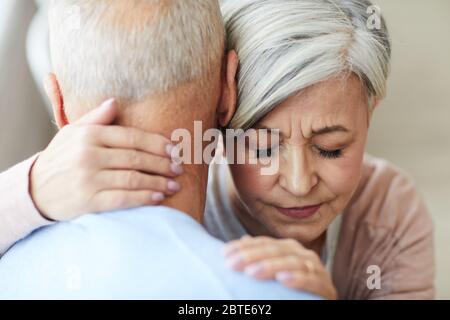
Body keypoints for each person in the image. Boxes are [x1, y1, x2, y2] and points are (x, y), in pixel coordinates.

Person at [0, 0, 434, 299]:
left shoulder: (388, 214)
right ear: (225, 103)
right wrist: (31, 188)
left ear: (371, 112)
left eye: (332, 149)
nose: (300, 183)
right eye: (262, 147)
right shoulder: (162, 188)